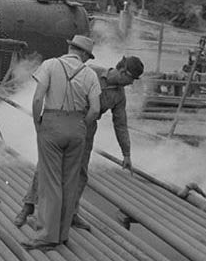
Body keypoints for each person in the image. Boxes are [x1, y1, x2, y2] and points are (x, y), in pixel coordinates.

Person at [15, 54, 145, 233]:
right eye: (131, 79)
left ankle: (71, 213)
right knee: (48, 165)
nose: (132, 83)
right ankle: (28, 206)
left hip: (87, 130)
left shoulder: (119, 96)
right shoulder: (90, 73)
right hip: (66, 120)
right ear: (123, 72)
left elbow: (120, 124)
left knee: (80, 173)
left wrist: (127, 153)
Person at [23, 34, 101, 249]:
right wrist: (80, 125)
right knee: (69, 182)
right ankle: (62, 234)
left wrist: (39, 124)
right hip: (77, 127)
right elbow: (94, 109)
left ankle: (46, 236)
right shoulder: (91, 75)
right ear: (84, 54)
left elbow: (38, 97)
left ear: (71, 48)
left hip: (52, 123)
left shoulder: (50, 65)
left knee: (50, 183)